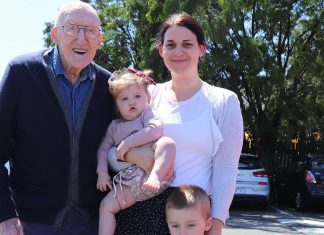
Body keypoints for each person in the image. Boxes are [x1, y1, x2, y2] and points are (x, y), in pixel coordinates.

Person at [114, 12, 243, 235]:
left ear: (201, 49)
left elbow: (226, 170)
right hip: (138, 208)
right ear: (161, 50)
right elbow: (113, 147)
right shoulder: (147, 97)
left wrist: (217, 224)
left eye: (187, 44)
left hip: (190, 216)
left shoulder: (224, 101)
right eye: (171, 45)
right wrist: (132, 155)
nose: (178, 51)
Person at [0, 2, 115, 235]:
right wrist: (4, 215)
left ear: (99, 39)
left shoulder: (110, 86)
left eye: (90, 31)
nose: (82, 39)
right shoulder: (21, 72)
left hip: (94, 223)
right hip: (30, 223)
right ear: (55, 34)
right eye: (72, 28)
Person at [96, 68, 175, 235]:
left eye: (137, 96)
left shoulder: (147, 114)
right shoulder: (114, 126)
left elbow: (155, 130)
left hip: (156, 175)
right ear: (116, 105)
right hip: (130, 182)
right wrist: (102, 173)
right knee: (106, 207)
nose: (132, 102)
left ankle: (155, 175)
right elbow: (103, 149)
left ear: (148, 98)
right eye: (124, 99)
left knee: (166, 143)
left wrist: (127, 144)